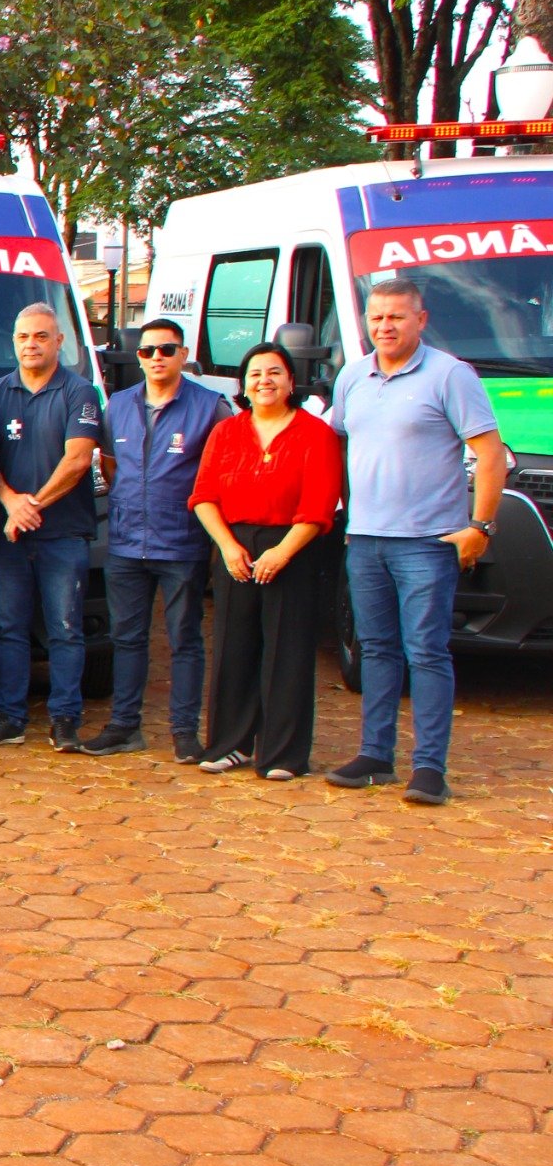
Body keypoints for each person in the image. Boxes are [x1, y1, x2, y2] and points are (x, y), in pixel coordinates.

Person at [326, 278, 504, 805]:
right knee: (376, 649)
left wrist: (481, 526)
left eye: (397, 317)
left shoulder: (450, 375)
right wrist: (343, 513)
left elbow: (490, 454)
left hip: (427, 541)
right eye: (377, 317)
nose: (385, 326)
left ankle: (430, 769)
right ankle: (376, 756)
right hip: (366, 539)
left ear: (420, 320)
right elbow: (339, 444)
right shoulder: (353, 376)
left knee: (426, 652)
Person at [190, 343, 343, 780]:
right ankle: (229, 744)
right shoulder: (227, 432)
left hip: (292, 543)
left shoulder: (315, 433)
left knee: (287, 650)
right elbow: (203, 497)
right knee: (233, 648)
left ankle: (283, 754)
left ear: (291, 382)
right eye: (256, 374)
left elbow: (319, 505)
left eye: (275, 372)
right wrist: (227, 546)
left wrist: (282, 552)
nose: (265, 381)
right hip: (234, 545)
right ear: (244, 384)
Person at [91, 318, 229, 759]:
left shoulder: (211, 407)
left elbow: (220, 474)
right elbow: (111, 465)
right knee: (127, 637)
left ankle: (184, 733)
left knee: (184, 638)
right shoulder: (119, 404)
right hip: (128, 540)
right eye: (147, 351)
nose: (155, 358)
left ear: (183, 354)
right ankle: (124, 726)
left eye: (166, 350)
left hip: (182, 541)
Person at [0, 303, 104, 751]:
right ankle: (9, 718)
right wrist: (10, 503)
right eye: (24, 337)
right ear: (13, 341)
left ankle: (65, 719)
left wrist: (31, 506)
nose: (31, 344)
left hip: (63, 535)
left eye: (41, 336)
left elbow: (78, 460)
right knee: (9, 628)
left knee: (65, 628)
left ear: (59, 341)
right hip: (7, 536)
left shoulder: (80, 391)